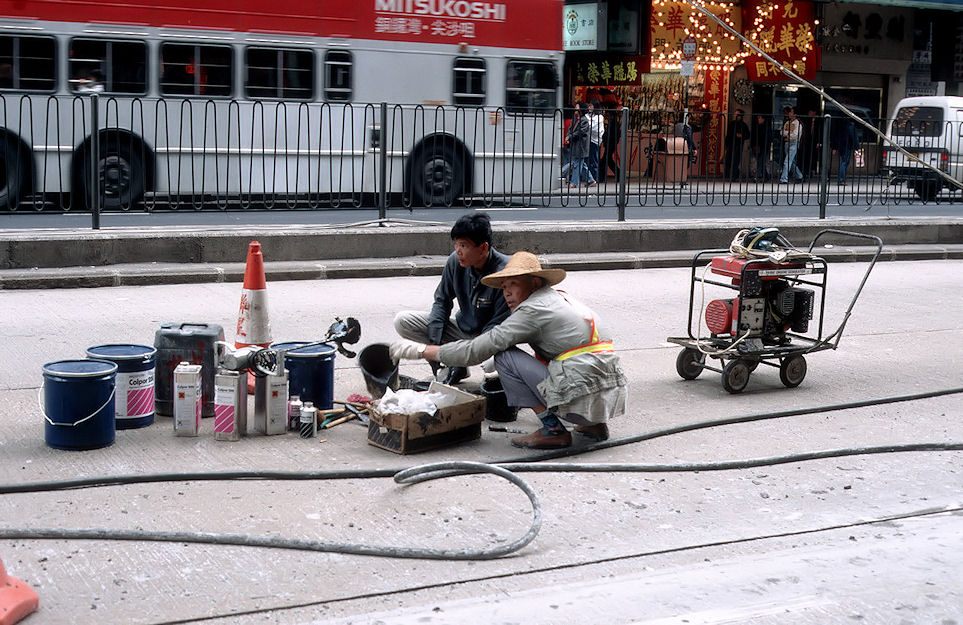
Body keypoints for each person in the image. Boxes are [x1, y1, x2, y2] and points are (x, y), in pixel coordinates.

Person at [390, 251, 627, 449]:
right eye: (504, 287)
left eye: (513, 284)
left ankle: (553, 429)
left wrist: (422, 350)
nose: (507, 293)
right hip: (607, 397)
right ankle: (593, 425)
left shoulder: (532, 310)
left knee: (504, 357)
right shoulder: (559, 298)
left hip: (583, 393)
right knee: (543, 358)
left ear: (535, 282)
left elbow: (475, 351)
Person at [393, 213, 510, 385]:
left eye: (463, 245)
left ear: (483, 248)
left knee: (491, 364)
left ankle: (500, 385)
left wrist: (471, 351)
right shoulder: (455, 261)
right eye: (455, 244)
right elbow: (442, 301)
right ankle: (456, 366)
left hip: (491, 338)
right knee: (403, 321)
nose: (458, 250)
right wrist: (435, 343)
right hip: (463, 331)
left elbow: (499, 324)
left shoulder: (506, 272)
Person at [566, 102, 596, 189]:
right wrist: (568, 136)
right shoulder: (575, 119)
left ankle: (574, 182)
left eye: (577, 107)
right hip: (576, 145)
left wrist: (570, 136)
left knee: (577, 164)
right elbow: (570, 129)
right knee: (582, 165)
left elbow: (580, 132)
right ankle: (591, 180)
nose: (575, 109)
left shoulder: (584, 120)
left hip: (581, 146)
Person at [830, 115, 858, 186]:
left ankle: (841, 179)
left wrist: (835, 147)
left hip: (841, 145)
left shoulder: (839, 124)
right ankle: (841, 179)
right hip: (847, 145)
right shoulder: (850, 125)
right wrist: (856, 147)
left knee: (843, 161)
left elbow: (835, 136)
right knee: (845, 162)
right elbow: (853, 137)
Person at [723, 109, 749, 181]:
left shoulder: (743, 125)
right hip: (731, 144)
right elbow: (728, 135)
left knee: (735, 161)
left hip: (738, 144)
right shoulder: (732, 124)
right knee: (729, 160)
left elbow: (748, 135)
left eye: (738, 115)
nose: (736, 116)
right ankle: (732, 174)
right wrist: (726, 144)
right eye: (735, 114)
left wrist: (741, 136)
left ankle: (734, 176)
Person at [779, 106, 803, 184]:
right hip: (787, 143)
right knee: (791, 161)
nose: (789, 113)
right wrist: (789, 133)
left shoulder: (798, 124)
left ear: (795, 114)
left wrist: (787, 134)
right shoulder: (787, 123)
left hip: (793, 143)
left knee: (787, 161)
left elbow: (795, 135)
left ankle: (784, 178)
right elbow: (782, 132)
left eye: (791, 112)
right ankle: (799, 175)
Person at [586, 100, 605, 183]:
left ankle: (594, 177)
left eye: (591, 105)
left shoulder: (599, 117)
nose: (589, 107)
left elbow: (594, 128)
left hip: (595, 140)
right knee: (587, 160)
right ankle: (589, 178)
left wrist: (587, 125)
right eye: (588, 105)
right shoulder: (587, 115)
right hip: (587, 139)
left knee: (593, 159)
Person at [749, 114, 772, 181]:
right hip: (758, 146)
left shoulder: (766, 127)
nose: (758, 119)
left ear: (763, 119)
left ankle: (756, 175)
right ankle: (766, 176)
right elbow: (754, 136)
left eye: (759, 118)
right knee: (760, 161)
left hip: (764, 146)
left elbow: (768, 138)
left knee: (760, 161)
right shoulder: (757, 127)